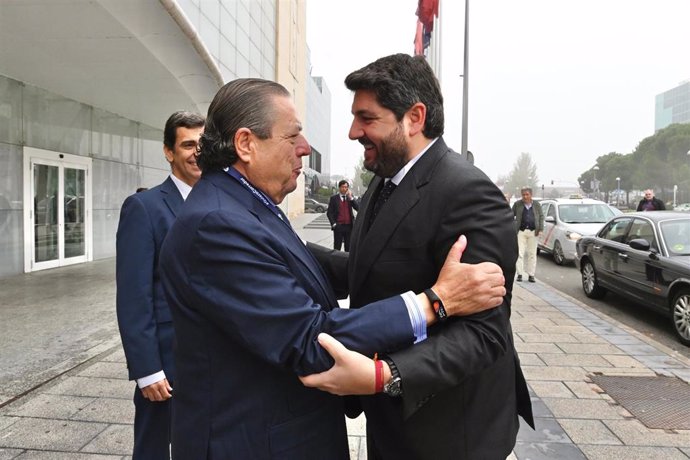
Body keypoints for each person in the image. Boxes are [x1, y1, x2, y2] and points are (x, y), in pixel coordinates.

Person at [157, 78, 508, 459]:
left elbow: (307, 264)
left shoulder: (244, 204)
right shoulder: (218, 224)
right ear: (246, 144)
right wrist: (436, 301)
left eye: (366, 117)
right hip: (255, 441)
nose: (305, 148)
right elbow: (310, 339)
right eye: (293, 137)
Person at [302, 53, 534, 460]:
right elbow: (369, 272)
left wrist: (384, 376)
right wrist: (285, 247)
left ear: (414, 117)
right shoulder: (384, 181)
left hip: (448, 434)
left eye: (366, 118)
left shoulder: (467, 194)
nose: (353, 131)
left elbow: (485, 335)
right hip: (394, 425)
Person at [115, 111, 204, 459]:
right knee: (154, 447)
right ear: (169, 151)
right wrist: (147, 369)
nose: (197, 151)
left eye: (202, 144)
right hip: (166, 362)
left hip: (213, 357)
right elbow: (134, 296)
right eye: (187, 144)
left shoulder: (221, 203)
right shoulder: (144, 208)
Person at [512, 186, 544, 283]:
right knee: (519, 253)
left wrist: (541, 228)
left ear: (531, 195)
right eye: (523, 195)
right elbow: (510, 214)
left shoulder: (537, 205)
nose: (525, 197)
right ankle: (520, 274)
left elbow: (541, 216)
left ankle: (531, 275)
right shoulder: (517, 204)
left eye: (527, 194)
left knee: (532, 254)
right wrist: (513, 226)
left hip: (533, 232)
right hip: (521, 232)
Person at [327, 179, 359, 251]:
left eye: (346, 187)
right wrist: (334, 224)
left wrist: (351, 198)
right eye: (343, 187)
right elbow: (329, 212)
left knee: (348, 247)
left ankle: (347, 262)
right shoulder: (334, 198)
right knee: (337, 246)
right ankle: (335, 261)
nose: (344, 189)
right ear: (339, 188)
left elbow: (358, 208)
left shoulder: (350, 198)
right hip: (338, 226)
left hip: (349, 227)